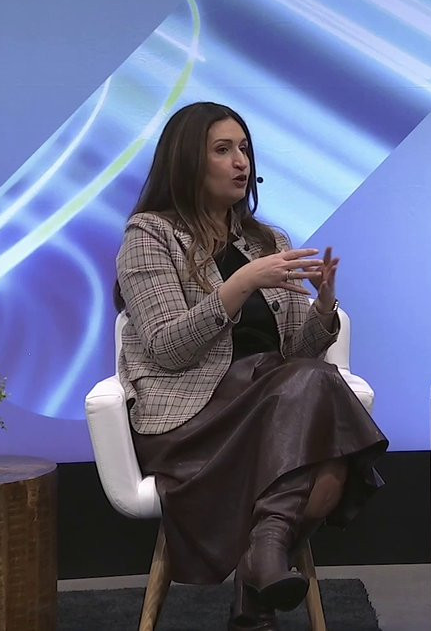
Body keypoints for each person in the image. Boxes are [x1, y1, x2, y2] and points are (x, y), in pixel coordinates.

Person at [114, 101, 388, 630]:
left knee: (320, 433)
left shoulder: (267, 242)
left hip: (268, 411)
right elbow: (168, 348)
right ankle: (258, 580)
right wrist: (239, 286)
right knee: (325, 440)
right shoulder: (149, 236)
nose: (240, 161)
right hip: (192, 422)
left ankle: (262, 566)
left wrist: (323, 306)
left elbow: (298, 359)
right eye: (223, 150)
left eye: (244, 149)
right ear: (187, 161)